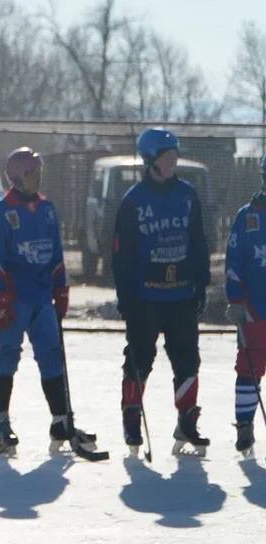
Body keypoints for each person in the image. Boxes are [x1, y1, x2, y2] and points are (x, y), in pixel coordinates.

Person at [0, 147, 96, 457]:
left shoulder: (46, 208)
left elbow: (56, 253)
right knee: (7, 355)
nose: (38, 178)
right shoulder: (0, 210)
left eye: (39, 172)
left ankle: (61, 420)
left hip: (42, 298)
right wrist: (1, 296)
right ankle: (1, 421)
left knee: (51, 354)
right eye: (32, 173)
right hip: (15, 298)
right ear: (17, 176)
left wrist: (61, 289)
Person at [113, 128, 210, 458]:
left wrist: (202, 281)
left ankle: (187, 419)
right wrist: (125, 296)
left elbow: (198, 240)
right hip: (145, 298)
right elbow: (121, 253)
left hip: (181, 295)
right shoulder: (134, 201)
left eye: (175, 157)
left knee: (187, 359)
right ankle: (130, 417)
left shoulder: (187, 194)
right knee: (140, 359)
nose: (173, 162)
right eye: (168, 157)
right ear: (151, 160)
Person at [226, 154, 266, 458]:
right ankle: (244, 425)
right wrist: (236, 300)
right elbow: (234, 261)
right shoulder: (247, 216)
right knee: (249, 366)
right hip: (255, 307)